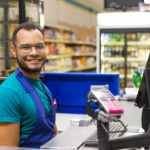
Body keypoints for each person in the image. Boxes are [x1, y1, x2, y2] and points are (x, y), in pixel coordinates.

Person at [0, 22, 59, 148]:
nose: (34, 53)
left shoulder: (43, 87)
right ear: (14, 51)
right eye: (26, 47)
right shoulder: (9, 93)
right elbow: (8, 148)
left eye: (39, 46)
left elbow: (54, 132)